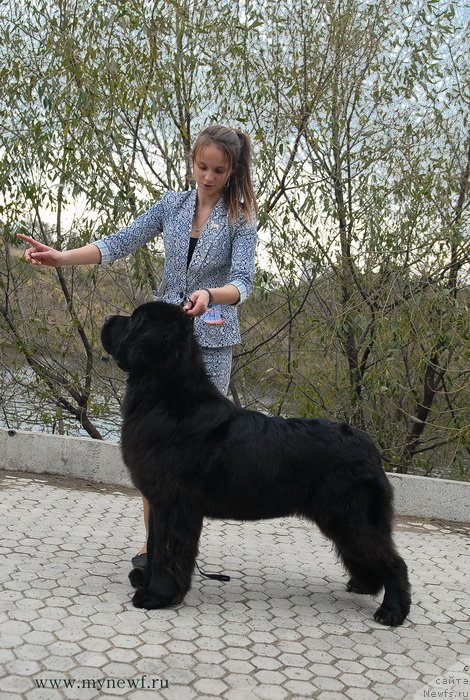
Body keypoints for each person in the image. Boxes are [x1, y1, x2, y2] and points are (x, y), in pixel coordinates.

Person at [18, 124, 258, 568]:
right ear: (193, 162)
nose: (207, 177)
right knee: (155, 446)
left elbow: (243, 281)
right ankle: (153, 548)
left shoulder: (240, 220)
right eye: (201, 167)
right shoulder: (172, 205)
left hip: (211, 344)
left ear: (231, 171)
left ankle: (178, 549)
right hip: (162, 344)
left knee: (193, 453)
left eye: (217, 170)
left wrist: (211, 296)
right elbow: (120, 241)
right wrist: (62, 257)